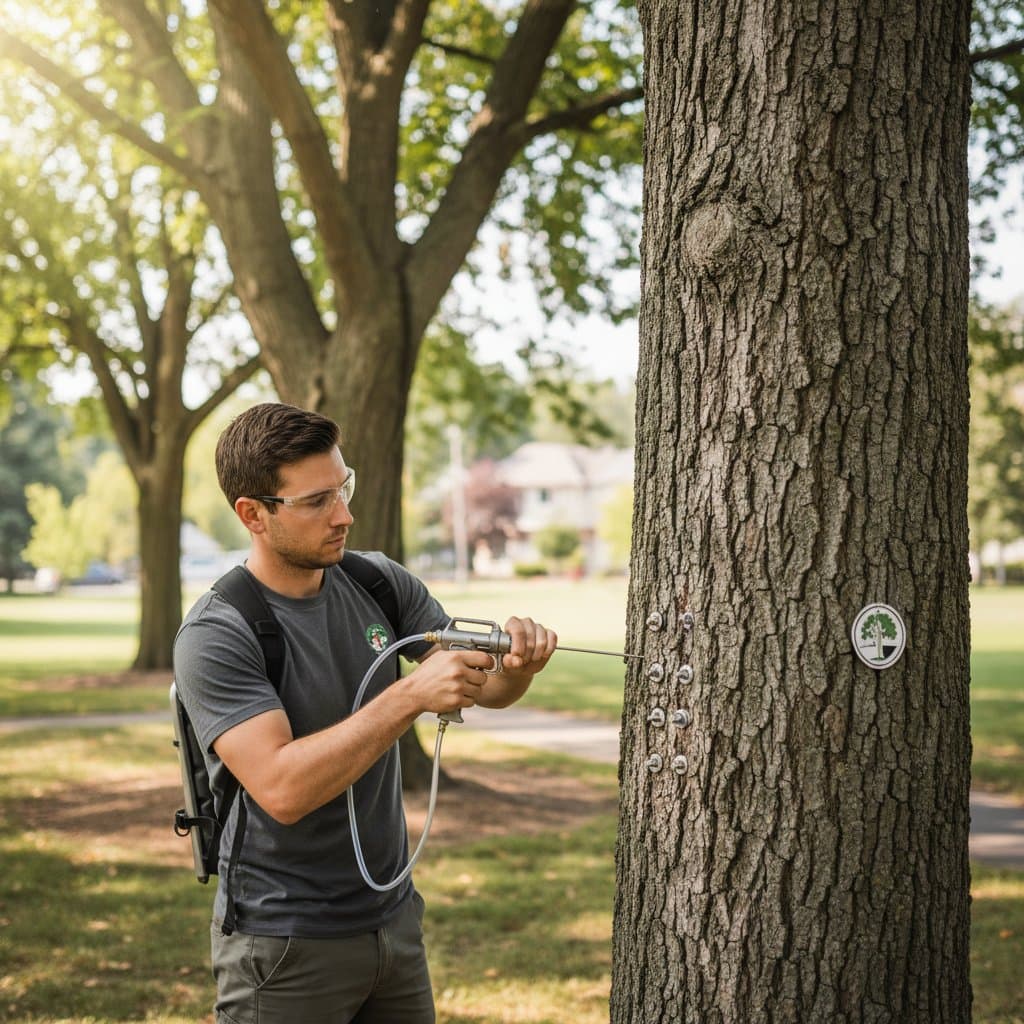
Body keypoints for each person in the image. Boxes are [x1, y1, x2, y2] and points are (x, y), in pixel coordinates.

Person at [172, 402, 557, 1024]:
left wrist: (517, 671)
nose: (344, 514)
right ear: (253, 514)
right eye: (317, 500)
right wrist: (408, 696)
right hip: (284, 941)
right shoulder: (218, 632)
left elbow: (478, 688)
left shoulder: (378, 582)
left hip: (393, 922)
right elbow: (283, 788)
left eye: (344, 487)